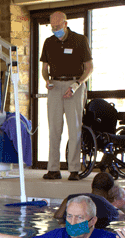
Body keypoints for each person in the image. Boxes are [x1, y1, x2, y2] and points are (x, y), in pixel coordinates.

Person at [40, 11, 94, 181]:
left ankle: (74, 170)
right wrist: (46, 80)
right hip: (55, 86)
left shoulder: (80, 40)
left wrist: (77, 84)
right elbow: (44, 69)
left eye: (57, 26)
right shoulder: (49, 42)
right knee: (54, 130)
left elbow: (89, 68)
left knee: (74, 129)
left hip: (74, 85)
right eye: (52, 27)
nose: (55, 30)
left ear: (65, 23)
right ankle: (53, 169)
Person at [53, 172, 123, 229]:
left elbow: (58, 216)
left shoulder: (71, 198)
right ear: (110, 190)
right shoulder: (111, 210)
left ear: (92, 185)